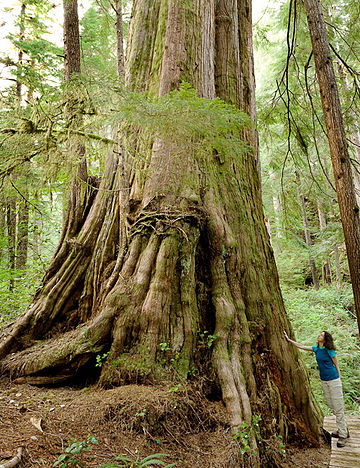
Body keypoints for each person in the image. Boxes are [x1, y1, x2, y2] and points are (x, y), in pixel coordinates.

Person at [283, 330, 349, 447]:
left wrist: (338, 378)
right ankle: (343, 428)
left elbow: (336, 364)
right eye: (320, 334)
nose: (319, 335)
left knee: (338, 407)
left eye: (322, 335)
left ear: (325, 339)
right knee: (331, 405)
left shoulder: (329, 350)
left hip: (334, 380)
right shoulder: (316, 349)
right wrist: (288, 340)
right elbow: (302, 346)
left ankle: (343, 435)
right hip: (324, 381)